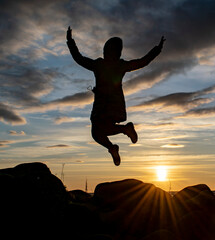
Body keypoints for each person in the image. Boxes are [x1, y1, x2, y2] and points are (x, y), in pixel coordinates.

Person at [66, 26, 165, 166]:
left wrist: (70, 41)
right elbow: (142, 62)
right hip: (106, 104)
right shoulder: (113, 65)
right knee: (97, 133)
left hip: (108, 105)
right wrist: (157, 49)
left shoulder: (103, 65)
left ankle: (120, 136)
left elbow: (79, 59)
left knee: (97, 131)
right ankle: (116, 142)